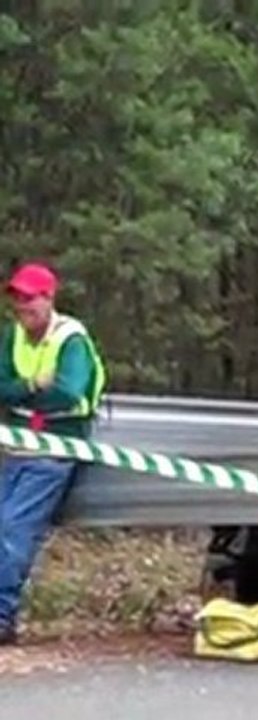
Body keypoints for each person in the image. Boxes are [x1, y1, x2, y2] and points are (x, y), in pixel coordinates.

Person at [0, 262, 106, 646]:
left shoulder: (71, 339)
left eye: (30, 298)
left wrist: (20, 392)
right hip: (16, 446)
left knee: (13, 529)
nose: (22, 306)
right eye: (17, 298)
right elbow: (2, 387)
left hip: (55, 449)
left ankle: (2, 617)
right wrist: (32, 384)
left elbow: (68, 392)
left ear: (49, 298)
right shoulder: (12, 336)